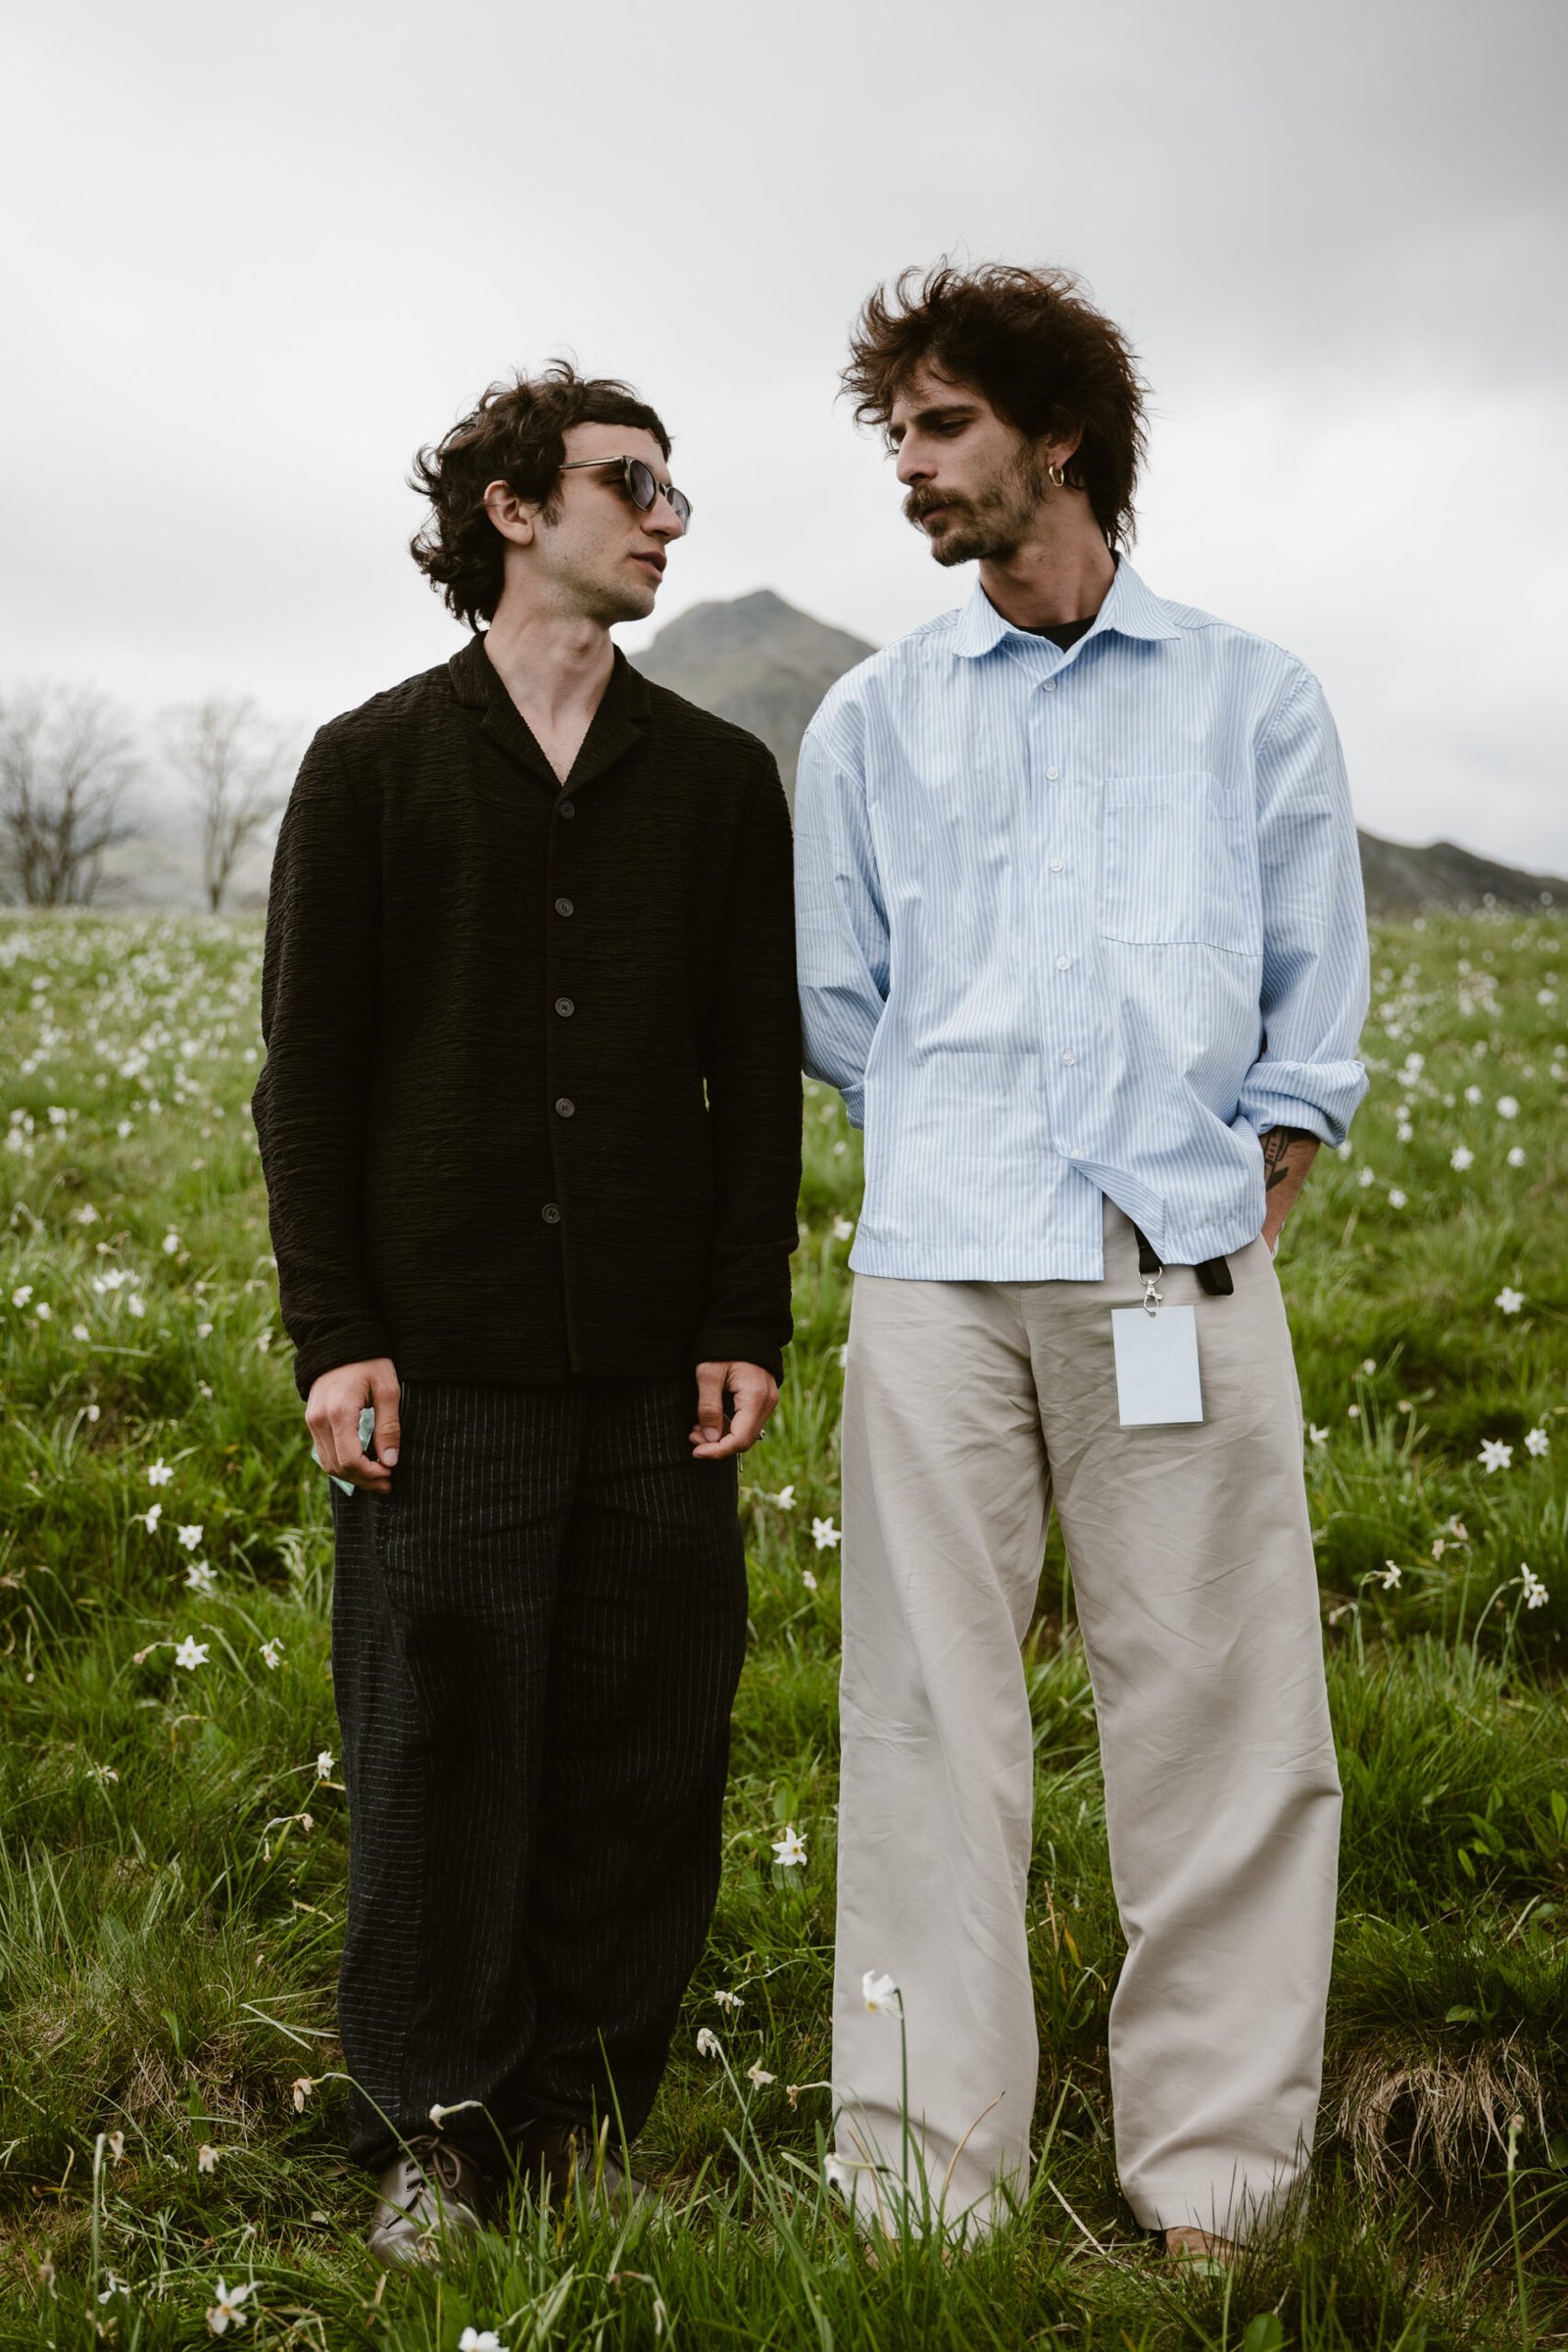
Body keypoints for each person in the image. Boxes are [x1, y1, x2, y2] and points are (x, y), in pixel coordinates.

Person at [794, 265, 1369, 2261]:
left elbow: (1310, 980)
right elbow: (843, 1001)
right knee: (921, 1726)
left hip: (1172, 1269)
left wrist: (1262, 1133)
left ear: (1058, 438)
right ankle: (919, 2196)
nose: (908, 466)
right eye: (895, 432)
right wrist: (970, 1140)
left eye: (941, 425)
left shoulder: (1248, 695)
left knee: (1220, 1721)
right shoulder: (871, 717)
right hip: (934, 1279)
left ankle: (1217, 2189)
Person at [252, 363, 802, 2269]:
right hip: (441, 1371)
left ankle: (579, 2121)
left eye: (674, 489)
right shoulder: (370, 767)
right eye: (628, 481)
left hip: (660, 1375)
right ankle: (437, 2128)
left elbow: (754, 1077)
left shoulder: (718, 782)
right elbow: (307, 1084)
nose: (666, 517)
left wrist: (746, 1316)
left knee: (646, 1753)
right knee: (439, 1754)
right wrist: (335, 1334)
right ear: (510, 507)